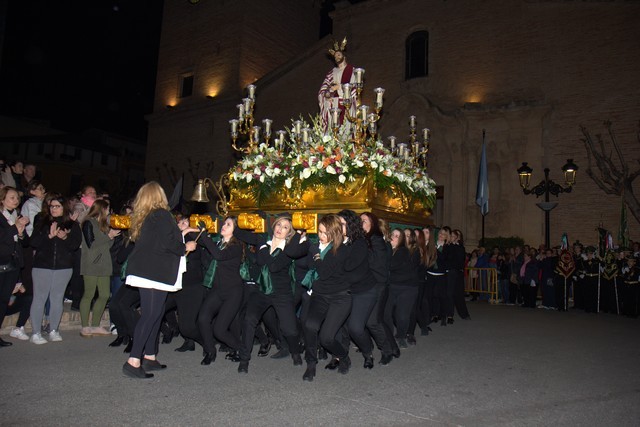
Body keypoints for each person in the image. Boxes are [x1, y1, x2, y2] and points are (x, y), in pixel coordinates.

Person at [122, 182, 196, 379]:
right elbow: (168, 243)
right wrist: (185, 246)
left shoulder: (149, 216)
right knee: (151, 314)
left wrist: (179, 233)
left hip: (148, 270)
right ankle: (133, 360)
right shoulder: (161, 214)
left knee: (156, 313)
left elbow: (160, 240)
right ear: (158, 196)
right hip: (154, 272)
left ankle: (149, 356)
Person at [234, 215, 304, 374]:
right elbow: (239, 233)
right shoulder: (262, 239)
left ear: (289, 233)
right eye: (279, 224)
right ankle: (244, 359)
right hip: (262, 290)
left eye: (286, 227)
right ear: (274, 226)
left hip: (282, 292)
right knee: (249, 319)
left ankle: (295, 351)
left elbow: (272, 266)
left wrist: (263, 248)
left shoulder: (289, 249)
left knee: (290, 330)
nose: (280, 228)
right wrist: (239, 220)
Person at [302, 214, 350, 382]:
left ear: (334, 233)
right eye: (319, 232)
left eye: (324, 233)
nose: (320, 236)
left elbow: (324, 272)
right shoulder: (317, 246)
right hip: (320, 295)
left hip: (340, 297)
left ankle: (343, 356)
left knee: (326, 338)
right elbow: (309, 267)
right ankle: (310, 363)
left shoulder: (342, 250)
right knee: (310, 325)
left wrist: (316, 255)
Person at [29, 193, 82, 344]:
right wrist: (49, 237)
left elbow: (75, 245)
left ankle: (54, 330)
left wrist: (65, 237)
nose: (54, 209)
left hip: (63, 267)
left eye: (57, 206)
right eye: (51, 206)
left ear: (64, 208)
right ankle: (35, 333)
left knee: (57, 299)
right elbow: (33, 242)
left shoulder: (72, 224)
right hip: (42, 266)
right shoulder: (41, 221)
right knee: (39, 298)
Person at [196, 216, 245, 366]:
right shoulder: (218, 242)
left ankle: (242, 350)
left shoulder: (237, 246)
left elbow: (219, 255)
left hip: (233, 292)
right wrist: (193, 229)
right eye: (224, 223)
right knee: (202, 319)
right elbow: (200, 240)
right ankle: (210, 351)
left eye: (228, 224)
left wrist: (204, 234)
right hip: (218, 290)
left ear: (235, 230)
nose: (224, 226)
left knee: (219, 330)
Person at [79, 199, 121, 337]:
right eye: (107, 209)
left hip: (104, 264)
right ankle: (85, 326)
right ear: (101, 209)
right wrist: (109, 235)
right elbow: (91, 244)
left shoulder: (102, 225)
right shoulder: (88, 223)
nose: (109, 212)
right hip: (91, 264)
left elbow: (106, 245)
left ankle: (95, 325)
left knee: (104, 294)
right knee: (89, 294)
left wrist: (111, 236)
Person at [0, 187, 30, 347]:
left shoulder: (15, 216)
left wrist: (20, 232)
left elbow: (24, 242)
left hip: (13, 264)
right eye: (11, 197)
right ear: (2, 199)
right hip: (1, 263)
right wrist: (15, 227)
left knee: (4, 300)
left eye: (17, 198)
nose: (16, 200)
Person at [318, 37, 357, 132]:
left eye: (339, 55)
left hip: (346, 105)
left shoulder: (352, 70)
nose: (337, 57)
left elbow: (355, 88)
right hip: (333, 105)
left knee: (345, 133)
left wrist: (340, 87)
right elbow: (323, 91)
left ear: (344, 56)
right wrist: (328, 95)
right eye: (335, 56)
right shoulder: (331, 73)